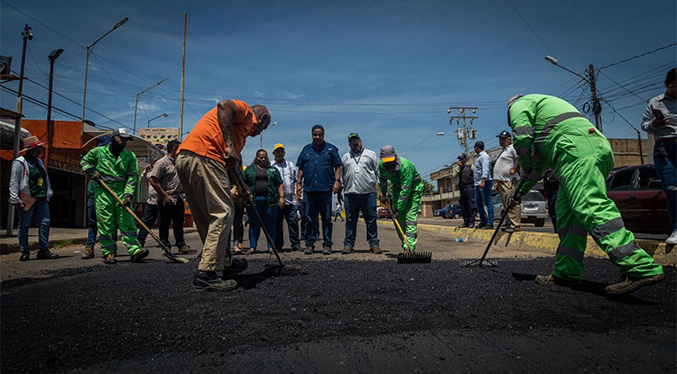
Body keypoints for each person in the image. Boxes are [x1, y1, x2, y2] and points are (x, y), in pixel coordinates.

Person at [508, 94, 664, 295]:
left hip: (576, 151)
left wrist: (525, 165)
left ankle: (639, 266)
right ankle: (567, 272)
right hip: (583, 149)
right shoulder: (544, 120)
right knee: (567, 215)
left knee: (589, 205)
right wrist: (518, 193)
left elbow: (521, 138)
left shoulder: (520, 104)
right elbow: (537, 167)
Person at [176, 99, 270, 291]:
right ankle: (206, 274)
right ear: (262, 119)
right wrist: (229, 144)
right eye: (264, 127)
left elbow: (229, 164)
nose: (260, 132)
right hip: (205, 156)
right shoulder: (245, 112)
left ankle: (225, 262)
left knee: (205, 217)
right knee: (223, 213)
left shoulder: (238, 133)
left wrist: (242, 186)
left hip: (187, 158)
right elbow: (224, 105)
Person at [81, 128, 148, 265]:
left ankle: (134, 250)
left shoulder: (130, 156)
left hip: (122, 193)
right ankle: (109, 252)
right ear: (113, 138)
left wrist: (128, 194)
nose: (124, 142)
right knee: (106, 223)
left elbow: (132, 177)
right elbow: (84, 161)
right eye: (121, 139)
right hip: (103, 192)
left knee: (127, 222)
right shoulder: (98, 152)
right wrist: (91, 172)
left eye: (126, 140)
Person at [9, 136, 58, 261]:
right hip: (27, 198)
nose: (42, 149)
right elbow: (14, 181)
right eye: (39, 147)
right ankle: (24, 251)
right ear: (33, 149)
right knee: (24, 225)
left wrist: (49, 192)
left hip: (41, 197)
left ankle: (43, 250)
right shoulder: (20, 162)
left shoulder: (39, 162)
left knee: (45, 222)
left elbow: (45, 179)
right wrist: (14, 198)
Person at [642, 67, 676, 245]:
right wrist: (655, 123)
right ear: (667, 85)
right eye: (674, 86)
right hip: (666, 148)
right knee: (672, 189)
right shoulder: (655, 102)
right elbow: (645, 125)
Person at [295, 125, 342, 255]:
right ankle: (310, 244)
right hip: (309, 189)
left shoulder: (331, 149)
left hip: (325, 189)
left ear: (323, 135)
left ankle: (327, 245)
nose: (317, 137)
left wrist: (337, 182)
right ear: (312, 135)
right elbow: (301, 168)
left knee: (327, 219)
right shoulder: (306, 149)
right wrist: (298, 184)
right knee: (309, 219)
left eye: (319, 134)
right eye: (315, 135)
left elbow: (338, 166)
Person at [149, 140, 194, 254]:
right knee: (164, 223)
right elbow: (153, 181)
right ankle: (165, 245)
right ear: (174, 150)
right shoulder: (162, 163)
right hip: (166, 199)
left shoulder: (178, 163)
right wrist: (164, 196)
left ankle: (181, 245)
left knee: (179, 222)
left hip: (178, 198)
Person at [340, 133, 381, 254]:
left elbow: (378, 172)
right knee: (350, 221)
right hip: (350, 193)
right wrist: (340, 191)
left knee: (371, 220)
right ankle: (348, 244)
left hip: (368, 193)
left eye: (356, 140)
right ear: (349, 144)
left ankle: (374, 244)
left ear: (361, 141)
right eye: (352, 141)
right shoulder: (345, 157)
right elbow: (342, 175)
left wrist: (381, 190)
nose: (355, 143)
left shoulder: (371, 154)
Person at [378, 145, 423, 253]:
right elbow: (382, 180)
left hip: (413, 190)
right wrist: (383, 193)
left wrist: (397, 210)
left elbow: (405, 191)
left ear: (395, 156)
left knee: (409, 219)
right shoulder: (381, 166)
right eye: (386, 162)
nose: (388, 164)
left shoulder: (406, 166)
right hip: (397, 189)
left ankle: (409, 248)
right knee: (398, 220)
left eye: (390, 161)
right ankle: (405, 244)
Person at [242, 149, 284, 254]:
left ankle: (271, 247)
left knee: (270, 224)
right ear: (256, 158)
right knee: (254, 224)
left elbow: (280, 183)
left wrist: (282, 197)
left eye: (265, 157)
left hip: (270, 201)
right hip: (254, 202)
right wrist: (247, 192)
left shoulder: (273, 170)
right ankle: (252, 247)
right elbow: (242, 182)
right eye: (261, 157)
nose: (263, 159)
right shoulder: (249, 170)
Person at [82, 136, 116, 259]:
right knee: (93, 223)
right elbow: (85, 166)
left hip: (107, 196)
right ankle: (89, 247)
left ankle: (110, 248)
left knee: (109, 223)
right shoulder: (92, 161)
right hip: (93, 195)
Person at [271, 143, 301, 251]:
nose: (279, 153)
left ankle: (295, 244)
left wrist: (297, 192)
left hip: (291, 200)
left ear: (284, 153)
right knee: (277, 224)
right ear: (273, 153)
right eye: (277, 151)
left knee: (293, 223)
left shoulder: (290, 165)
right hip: (276, 200)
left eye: (281, 151)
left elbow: (296, 180)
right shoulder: (270, 166)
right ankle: (278, 245)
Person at [493, 131, 521, 233]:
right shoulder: (504, 150)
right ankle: (509, 223)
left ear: (509, 139)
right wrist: (497, 181)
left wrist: (515, 169)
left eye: (503, 139)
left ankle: (515, 225)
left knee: (512, 202)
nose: (501, 140)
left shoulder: (512, 148)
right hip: (502, 181)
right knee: (506, 204)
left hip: (509, 181)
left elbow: (521, 158)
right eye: (500, 139)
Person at [136, 158, 160, 249]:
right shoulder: (150, 172)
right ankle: (140, 240)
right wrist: (145, 171)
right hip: (151, 201)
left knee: (162, 222)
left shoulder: (162, 170)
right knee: (146, 221)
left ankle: (163, 241)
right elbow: (142, 181)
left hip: (160, 200)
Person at [452, 153, 477, 228]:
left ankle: (471, 222)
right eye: (459, 159)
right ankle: (465, 221)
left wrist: (475, 185)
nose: (460, 160)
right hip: (462, 188)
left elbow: (476, 175)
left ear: (465, 159)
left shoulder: (471, 166)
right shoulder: (458, 168)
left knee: (470, 205)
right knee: (463, 206)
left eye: (461, 159)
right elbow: (454, 175)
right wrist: (459, 167)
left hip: (470, 188)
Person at [473, 141, 494, 230]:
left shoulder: (484, 156)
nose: (474, 149)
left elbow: (485, 169)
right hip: (478, 183)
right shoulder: (479, 157)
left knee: (487, 202)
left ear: (477, 147)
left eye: (475, 147)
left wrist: (483, 181)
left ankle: (490, 222)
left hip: (484, 182)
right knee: (478, 203)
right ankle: (483, 221)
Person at [543, 168, 559, 233]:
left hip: (560, 188)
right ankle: (557, 230)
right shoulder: (546, 169)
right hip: (551, 190)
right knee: (553, 212)